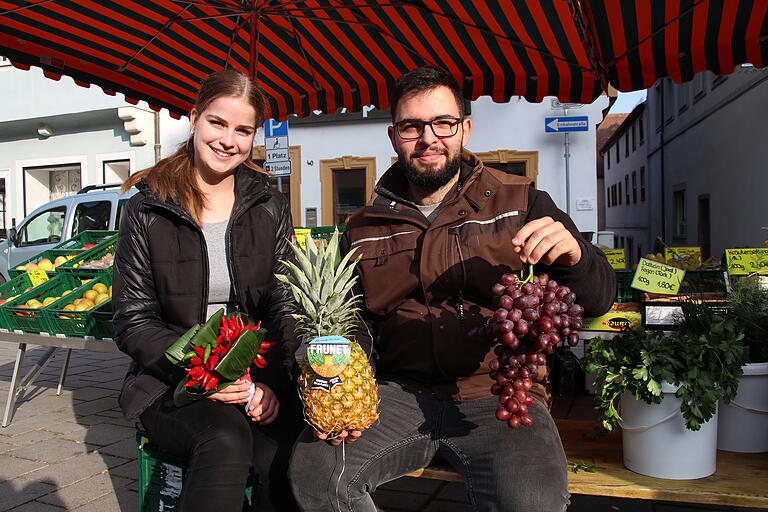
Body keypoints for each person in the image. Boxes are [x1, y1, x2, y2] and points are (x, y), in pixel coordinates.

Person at [289, 66, 616, 511]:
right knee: (316, 472)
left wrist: (576, 256)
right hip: (396, 396)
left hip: (500, 395)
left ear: (464, 128)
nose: (428, 138)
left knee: (533, 504)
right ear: (393, 136)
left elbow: (599, 299)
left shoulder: (522, 201)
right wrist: (341, 374)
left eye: (442, 123)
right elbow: (357, 320)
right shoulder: (364, 227)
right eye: (411, 126)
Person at [113, 69, 301, 512]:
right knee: (224, 438)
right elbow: (133, 319)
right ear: (194, 118)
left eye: (243, 130)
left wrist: (272, 382)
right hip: (169, 378)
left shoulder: (269, 206)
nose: (228, 140)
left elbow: (285, 303)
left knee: (289, 455)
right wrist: (208, 372)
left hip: (254, 376)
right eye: (217, 123)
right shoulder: (149, 206)